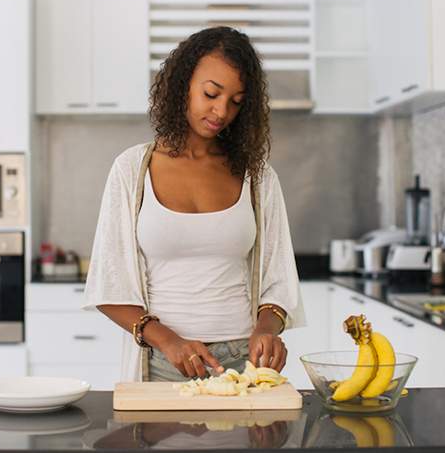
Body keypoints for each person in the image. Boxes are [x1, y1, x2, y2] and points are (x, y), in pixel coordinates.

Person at [83, 26, 304, 382]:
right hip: (161, 362)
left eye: (235, 102)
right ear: (182, 83)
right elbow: (107, 285)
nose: (221, 111)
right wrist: (169, 342)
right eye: (211, 93)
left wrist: (267, 329)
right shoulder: (132, 169)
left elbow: (278, 279)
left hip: (242, 364)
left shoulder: (257, 176)